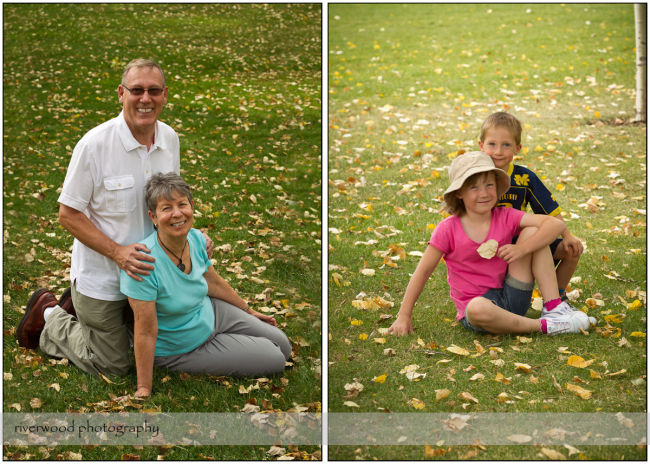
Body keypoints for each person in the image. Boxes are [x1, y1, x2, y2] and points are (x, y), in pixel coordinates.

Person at [16, 59, 212, 377]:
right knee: (115, 364)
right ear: (121, 94)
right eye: (136, 90)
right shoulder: (94, 146)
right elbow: (68, 214)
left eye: (153, 91)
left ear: (165, 96)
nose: (145, 98)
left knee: (156, 343)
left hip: (151, 278)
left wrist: (191, 236)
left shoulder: (170, 140)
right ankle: (50, 316)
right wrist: (118, 253)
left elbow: (168, 203)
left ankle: (84, 316)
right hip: (104, 280)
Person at [388, 151, 595, 337]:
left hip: (513, 295)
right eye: (474, 187)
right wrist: (404, 316)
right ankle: (546, 326)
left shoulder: (504, 215)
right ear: (459, 192)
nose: (484, 193)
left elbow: (553, 224)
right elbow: (422, 271)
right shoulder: (447, 229)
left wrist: (522, 248)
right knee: (477, 307)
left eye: (489, 185)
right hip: (480, 310)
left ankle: (553, 308)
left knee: (533, 231)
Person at [121, 173, 291, 397]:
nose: (177, 214)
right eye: (166, 208)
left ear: (191, 206)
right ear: (153, 217)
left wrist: (248, 310)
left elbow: (212, 280)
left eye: (182, 204)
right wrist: (144, 388)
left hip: (209, 312)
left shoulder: (195, 238)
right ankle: (218, 346)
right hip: (181, 346)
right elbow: (145, 331)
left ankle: (224, 340)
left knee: (283, 344)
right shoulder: (143, 263)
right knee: (275, 358)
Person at [478, 111, 583, 298]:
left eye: (506, 145)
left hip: (524, 245)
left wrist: (567, 236)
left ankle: (556, 298)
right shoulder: (474, 175)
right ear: (481, 145)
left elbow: (549, 210)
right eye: (492, 144)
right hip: (487, 248)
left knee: (572, 250)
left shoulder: (524, 178)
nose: (498, 151)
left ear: (517, 148)